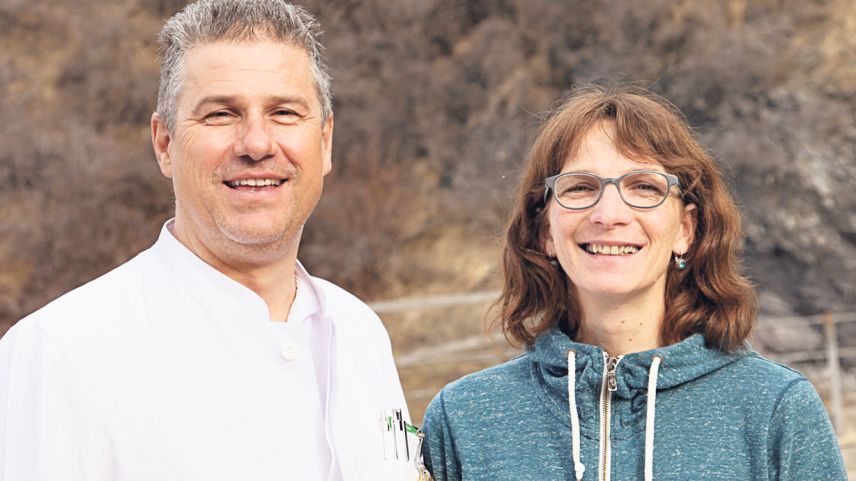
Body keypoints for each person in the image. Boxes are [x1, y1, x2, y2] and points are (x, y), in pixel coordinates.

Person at [0, 1, 417, 479]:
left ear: (324, 143)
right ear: (165, 144)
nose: (257, 144)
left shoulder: (361, 332)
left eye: (284, 111)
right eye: (221, 114)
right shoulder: (57, 354)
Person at [420, 85, 847, 480]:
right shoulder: (463, 421)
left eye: (644, 186)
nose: (609, 213)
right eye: (580, 187)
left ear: (685, 228)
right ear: (546, 230)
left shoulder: (776, 410)